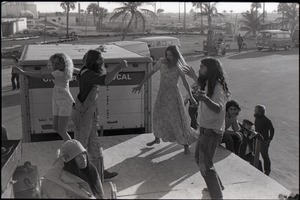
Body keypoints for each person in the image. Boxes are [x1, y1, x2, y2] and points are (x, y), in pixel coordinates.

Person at [72, 48, 128, 180]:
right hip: (84, 114)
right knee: (81, 145)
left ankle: (99, 172)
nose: (102, 60)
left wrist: (98, 50)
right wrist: (119, 67)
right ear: (93, 61)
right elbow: (105, 80)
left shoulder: (89, 71)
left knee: (94, 144)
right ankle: (76, 173)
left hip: (89, 113)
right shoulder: (87, 74)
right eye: (99, 58)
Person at [132, 45, 197, 155]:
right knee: (158, 115)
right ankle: (157, 138)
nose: (168, 57)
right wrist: (140, 84)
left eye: (170, 55)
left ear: (175, 55)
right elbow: (150, 73)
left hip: (173, 96)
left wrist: (192, 97)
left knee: (177, 120)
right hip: (162, 94)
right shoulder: (162, 62)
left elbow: (185, 83)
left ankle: (185, 144)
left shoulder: (179, 65)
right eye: (167, 54)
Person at [184, 57, 230, 199]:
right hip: (205, 128)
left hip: (212, 131)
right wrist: (193, 76)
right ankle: (216, 186)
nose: (199, 69)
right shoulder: (208, 83)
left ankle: (217, 196)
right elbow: (200, 84)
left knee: (205, 165)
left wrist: (205, 100)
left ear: (210, 70)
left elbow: (218, 108)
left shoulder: (217, 87)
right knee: (200, 160)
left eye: (202, 67)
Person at [14, 53, 79, 142]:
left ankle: (72, 148)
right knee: (55, 127)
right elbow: (75, 70)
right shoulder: (65, 71)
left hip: (65, 102)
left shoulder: (58, 73)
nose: (55, 66)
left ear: (64, 64)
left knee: (61, 130)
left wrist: (23, 72)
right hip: (57, 100)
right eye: (54, 63)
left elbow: (42, 75)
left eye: (58, 64)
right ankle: (69, 145)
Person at [254, 104, 275, 176]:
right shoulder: (257, 118)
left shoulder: (266, 120)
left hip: (263, 141)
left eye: (256, 110)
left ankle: (267, 171)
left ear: (260, 111)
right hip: (257, 139)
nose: (254, 111)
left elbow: (272, 129)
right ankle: (256, 168)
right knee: (255, 155)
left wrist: (269, 140)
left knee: (265, 156)